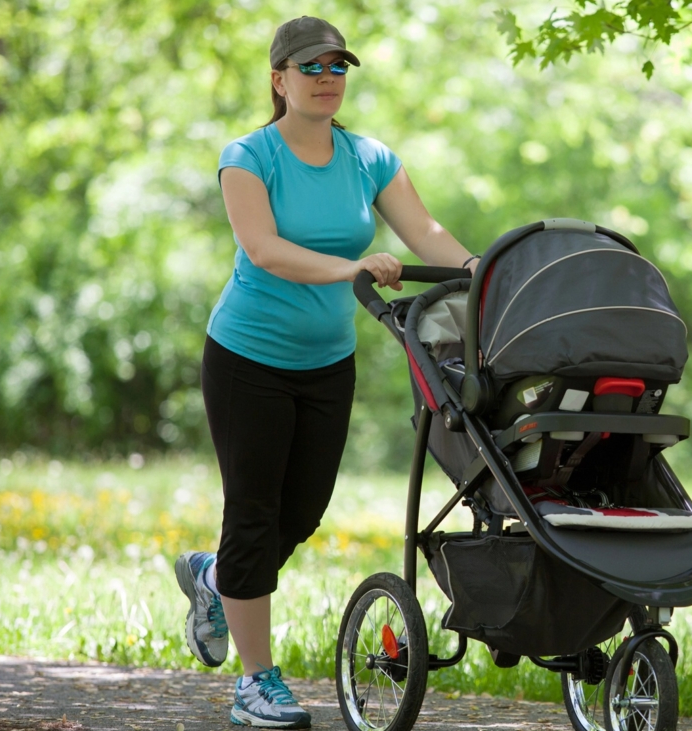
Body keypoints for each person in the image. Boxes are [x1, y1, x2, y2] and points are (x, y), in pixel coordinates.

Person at [173, 15, 478, 729]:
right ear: (279, 79)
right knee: (252, 513)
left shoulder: (368, 157)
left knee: (302, 511)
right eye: (311, 67)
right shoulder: (249, 156)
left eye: (338, 66)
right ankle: (256, 683)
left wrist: (486, 276)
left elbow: (426, 233)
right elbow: (265, 248)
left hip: (325, 363)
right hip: (246, 359)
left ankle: (215, 580)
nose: (326, 78)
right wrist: (353, 268)